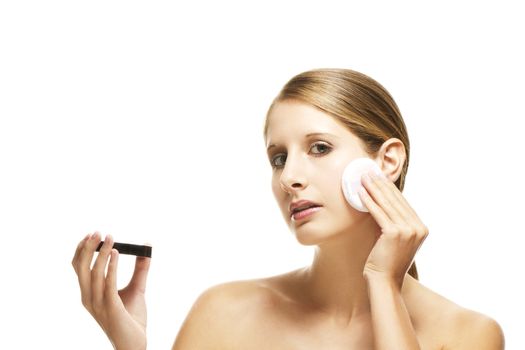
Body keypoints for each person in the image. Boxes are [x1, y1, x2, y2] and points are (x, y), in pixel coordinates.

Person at [72, 68, 505, 349]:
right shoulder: (225, 311)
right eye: (278, 157)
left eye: (319, 148)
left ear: (387, 160)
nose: (288, 177)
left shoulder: (468, 335)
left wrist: (383, 283)